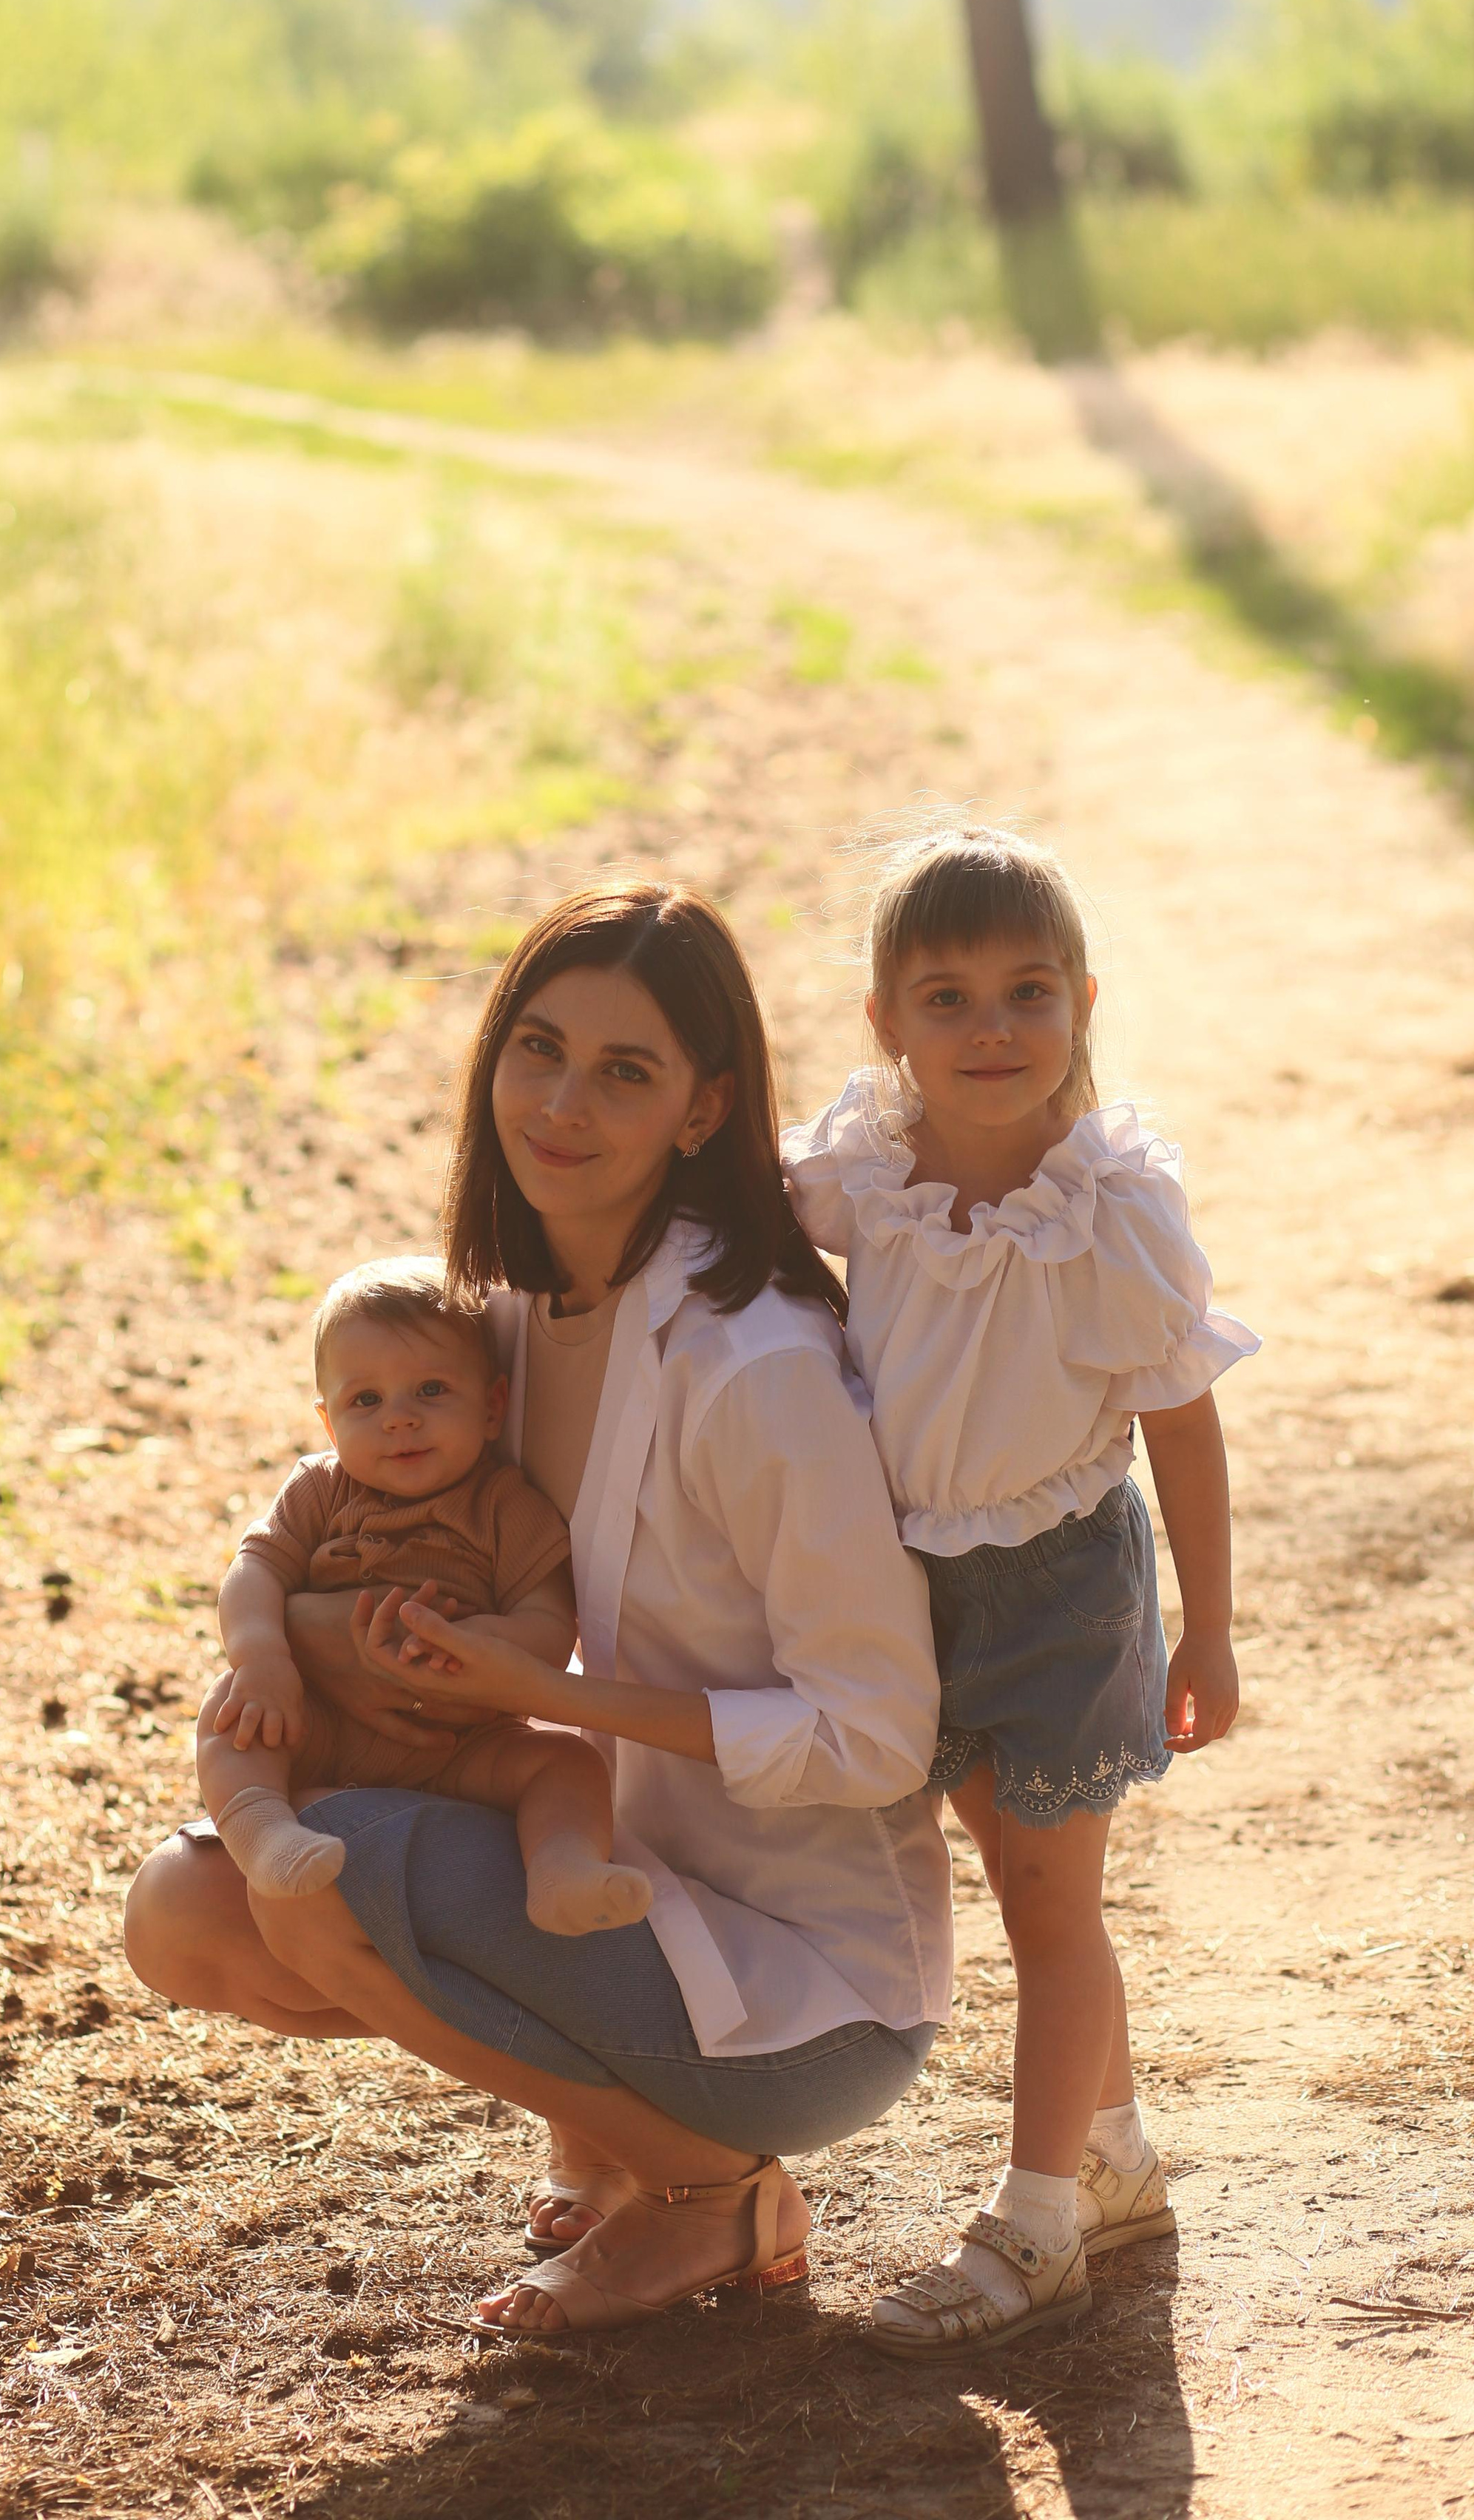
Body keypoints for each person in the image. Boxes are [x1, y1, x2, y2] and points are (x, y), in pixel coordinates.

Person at [125, 881, 952, 2337]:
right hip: (614, 1882)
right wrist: (309, 1645)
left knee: (325, 1863)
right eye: (537, 1048)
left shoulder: (751, 1368)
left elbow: (877, 1737)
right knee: (192, 1910)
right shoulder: (506, 1317)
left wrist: (560, 1701)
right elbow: (352, 1539)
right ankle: (617, 2146)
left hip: (810, 1991)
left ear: (699, 1111)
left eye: (623, 1072)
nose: (560, 1103)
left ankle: (706, 2193)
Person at [782, 822, 1257, 2360]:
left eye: (1026, 991)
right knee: (1007, 1879)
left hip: (1058, 1587)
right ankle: (1111, 2154)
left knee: (1053, 1911)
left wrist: (1211, 1626)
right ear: (884, 1025)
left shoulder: (1111, 1209)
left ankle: (1035, 2219)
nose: (990, 1028)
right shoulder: (865, 1174)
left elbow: (1179, 1421)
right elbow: (729, 1219)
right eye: (944, 997)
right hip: (905, 1580)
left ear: (1080, 1003)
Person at [197, 1252, 655, 1937]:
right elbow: (254, 1569)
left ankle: (564, 1873)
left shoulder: (506, 1506)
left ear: (493, 1406)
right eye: (367, 1400)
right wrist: (264, 1657)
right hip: (322, 1724)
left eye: (432, 1391)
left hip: (462, 1742)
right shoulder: (320, 1489)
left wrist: (477, 1647)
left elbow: (550, 1627)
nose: (400, 1420)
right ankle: (266, 1836)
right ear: (329, 1424)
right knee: (231, 1717)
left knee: (566, 1762)